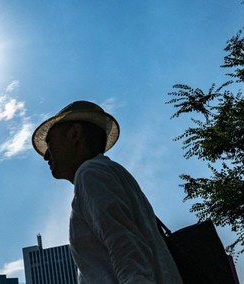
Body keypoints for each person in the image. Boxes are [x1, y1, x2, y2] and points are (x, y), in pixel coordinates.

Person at [31, 100, 182, 284]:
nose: (46, 155)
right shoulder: (108, 172)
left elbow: (124, 246)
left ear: (74, 134)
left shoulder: (90, 174)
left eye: (50, 142)